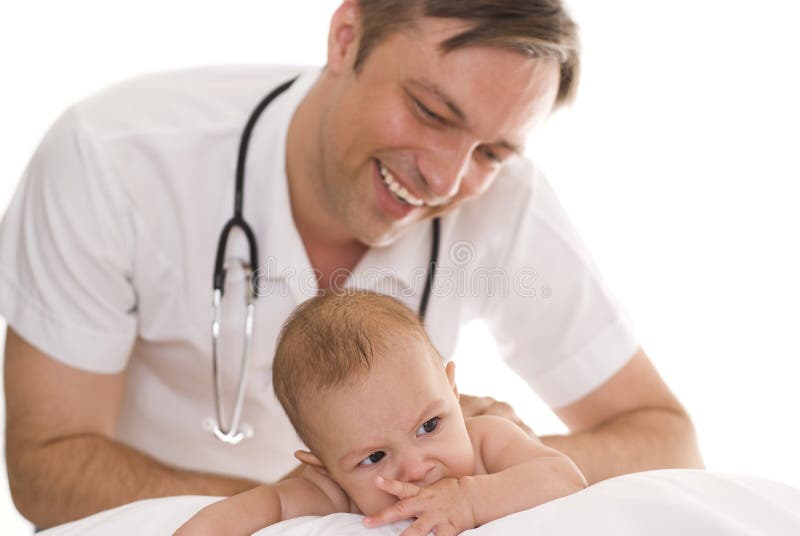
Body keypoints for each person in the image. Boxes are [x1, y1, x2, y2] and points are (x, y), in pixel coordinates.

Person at [0, 0, 702, 529]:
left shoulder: (507, 206)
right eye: (431, 111)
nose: (446, 180)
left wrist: (478, 460)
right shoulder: (114, 157)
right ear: (347, 37)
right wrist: (311, 508)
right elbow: (46, 462)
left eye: (491, 153)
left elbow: (666, 437)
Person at [175, 291, 587, 535]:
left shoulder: (486, 442)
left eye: (429, 425)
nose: (414, 467)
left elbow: (564, 479)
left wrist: (470, 500)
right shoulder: (334, 490)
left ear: (453, 390)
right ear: (323, 466)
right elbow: (266, 506)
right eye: (373, 457)